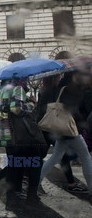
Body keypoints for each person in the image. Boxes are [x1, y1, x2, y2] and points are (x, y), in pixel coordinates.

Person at [40, 71, 92, 201]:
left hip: (60, 130)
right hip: (70, 130)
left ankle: (36, 182)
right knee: (86, 157)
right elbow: (74, 111)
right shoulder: (71, 89)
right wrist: (82, 125)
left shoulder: (59, 88)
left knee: (55, 157)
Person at [0, 78, 46, 207]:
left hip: (6, 133)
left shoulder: (1, 91)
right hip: (20, 134)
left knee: (14, 164)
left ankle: (12, 195)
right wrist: (31, 104)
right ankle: (31, 196)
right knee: (36, 161)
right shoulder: (18, 89)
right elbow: (17, 109)